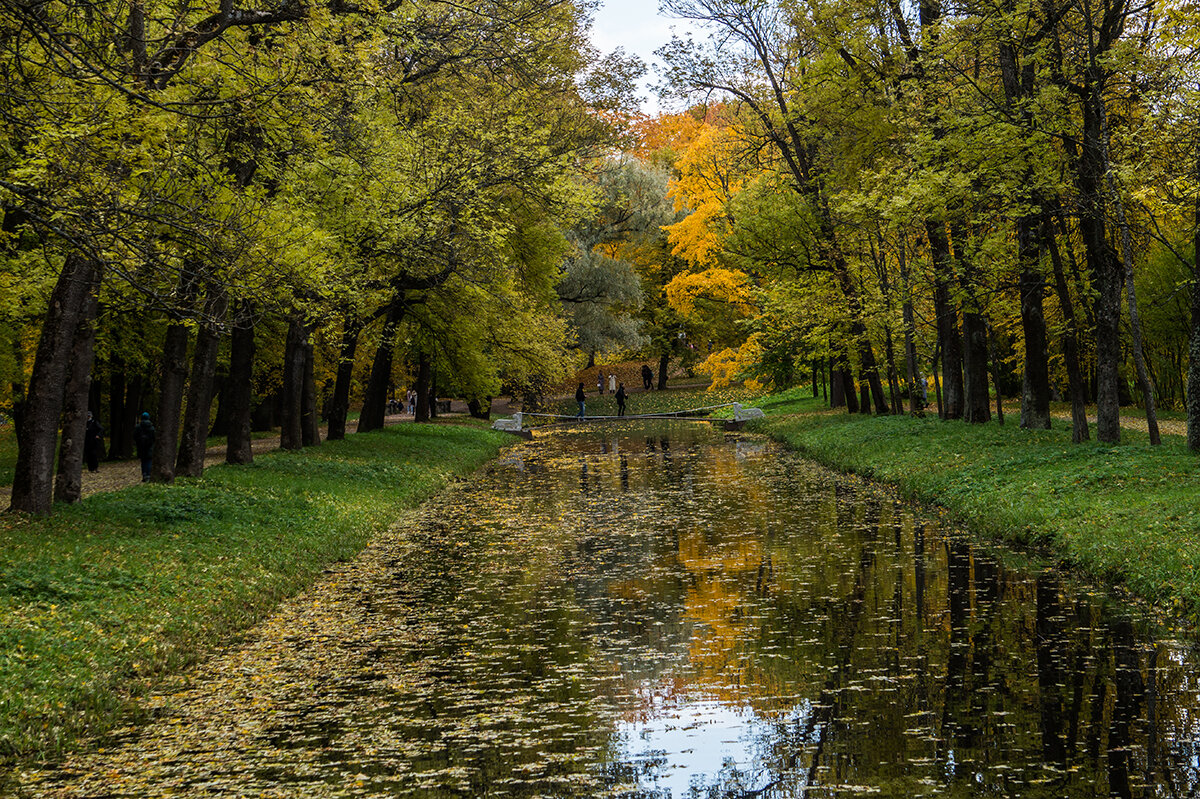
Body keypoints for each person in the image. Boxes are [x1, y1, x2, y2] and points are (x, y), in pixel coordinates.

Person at [133, 412, 156, 481]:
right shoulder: (151, 427)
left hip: (141, 447)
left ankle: (144, 474)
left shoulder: (138, 427)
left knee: (143, 461)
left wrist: (138, 442)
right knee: (149, 461)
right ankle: (148, 475)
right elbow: (154, 437)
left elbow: (134, 436)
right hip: (149, 446)